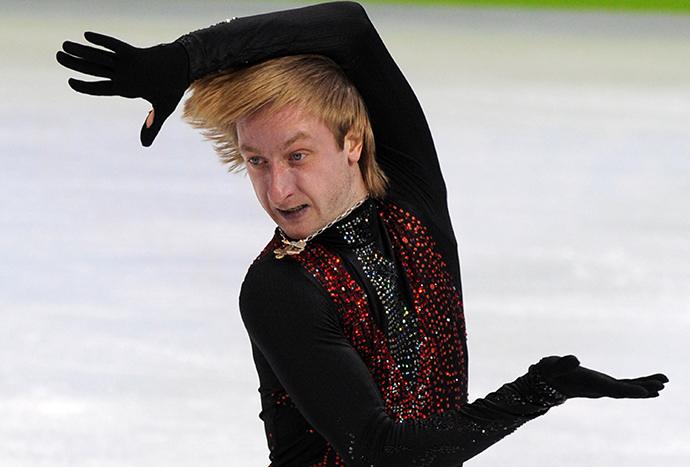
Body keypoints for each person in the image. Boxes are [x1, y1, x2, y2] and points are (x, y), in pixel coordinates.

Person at [56, 2, 667, 466]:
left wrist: (186, 59)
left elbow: (348, 26)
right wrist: (540, 389)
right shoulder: (279, 288)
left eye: (297, 156)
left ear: (352, 142)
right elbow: (382, 453)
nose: (277, 192)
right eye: (256, 162)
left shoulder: (410, 196)